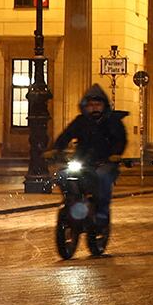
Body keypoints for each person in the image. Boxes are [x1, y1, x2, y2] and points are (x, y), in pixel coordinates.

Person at [50, 84, 128, 231]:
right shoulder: (81, 121)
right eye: (91, 105)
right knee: (63, 175)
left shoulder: (112, 121)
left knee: (102, 177)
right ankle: (71, 203)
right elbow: (66, 135)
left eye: (97, 104)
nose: (94, 108)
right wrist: (55, 149)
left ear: (104, 105)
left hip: (104, 162)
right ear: (85, 106)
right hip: (82, 161)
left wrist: (115, 155)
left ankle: (102, 215)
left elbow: (120, 140)